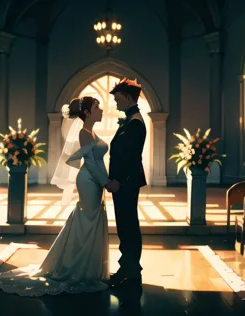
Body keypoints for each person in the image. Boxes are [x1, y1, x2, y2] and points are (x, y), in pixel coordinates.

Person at [0, 96, 112, 296]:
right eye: (97, 107)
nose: (102, 110)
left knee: (89, 220)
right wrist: (107, 182)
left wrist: (104, 181)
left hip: (93, 181)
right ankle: (77, 268)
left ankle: (88, 266)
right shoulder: (85, 133)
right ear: (87, 112)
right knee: (87, 221)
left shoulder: (90, 132)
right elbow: (89, 163)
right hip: (89, 181)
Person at [106, 78, 147, 288]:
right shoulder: (130, 120)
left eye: (118, 98)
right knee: (125, 225)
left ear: (129, 98)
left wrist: (118, 181)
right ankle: (129, 268)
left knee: (128, 225)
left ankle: (130, 270)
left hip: (126, 183)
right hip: (123, 183)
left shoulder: (135, 123)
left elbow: (130, 158)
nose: (115, 102)